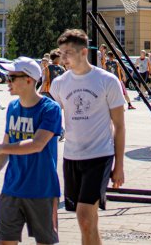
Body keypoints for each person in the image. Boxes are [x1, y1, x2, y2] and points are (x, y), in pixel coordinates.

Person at [0, 57, 63, 245]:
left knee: (45, 242)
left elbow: (37, 144)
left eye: (12, 77)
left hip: (42, 190)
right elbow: (5, 151)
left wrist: (1, 148)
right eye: (8, 77)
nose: (7, 81)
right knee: (5, 242)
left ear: (29, 80)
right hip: (11, 189)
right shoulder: (13, 107)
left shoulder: (50, 109)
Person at [51, 29, 125, 245]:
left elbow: (119, 126)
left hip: (100, 156)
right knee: (88, 220)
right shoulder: (59, 84)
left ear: (84, 52)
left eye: (68, 53)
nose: (63, 58)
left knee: (84, 217)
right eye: (61, 53)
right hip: (72, 157)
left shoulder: (107, 81)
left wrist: (119, 165)